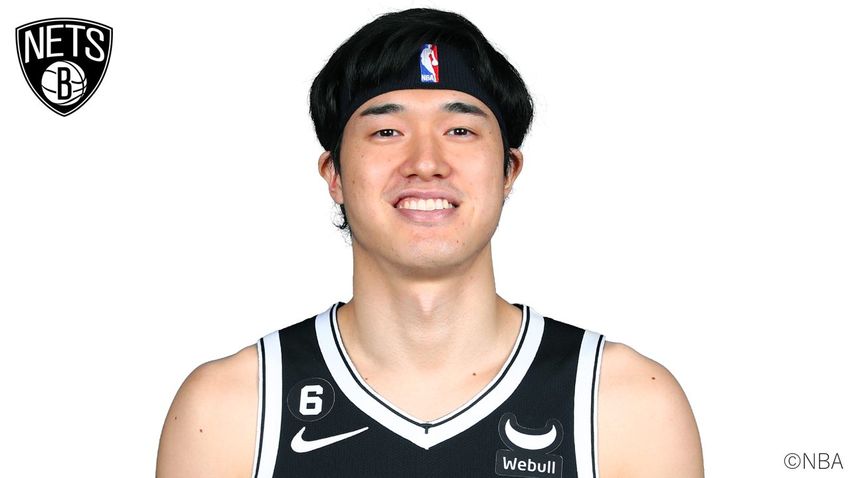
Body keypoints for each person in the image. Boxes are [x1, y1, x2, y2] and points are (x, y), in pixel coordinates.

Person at [156, 7, 704, 478]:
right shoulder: (232, 411)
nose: (425, 162)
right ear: (334, 174)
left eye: (460, 130)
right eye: (386, 131)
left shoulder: (625, 405)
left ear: (509, 170)